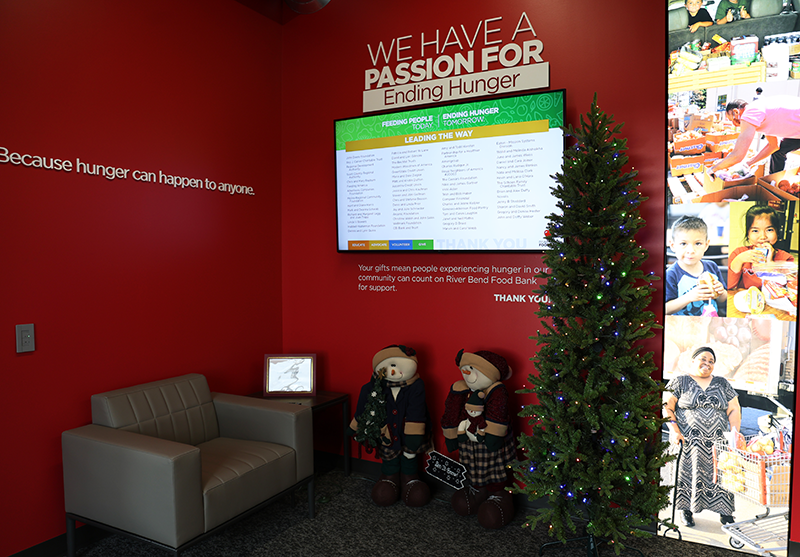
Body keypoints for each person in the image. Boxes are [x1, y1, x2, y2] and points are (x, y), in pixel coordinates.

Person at [664, 347, 742, 527]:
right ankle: (686, 510)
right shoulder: (680, 381)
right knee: (688, 476)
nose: (707, 363)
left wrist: (734, 434)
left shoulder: (722, 383)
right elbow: (667, 407)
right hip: (689, 443)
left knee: (721, 477)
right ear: (692, 361)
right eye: (703, 359)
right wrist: (675, 430)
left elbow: (734, 409)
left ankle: (726, 514)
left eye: (711, 361)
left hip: (718, 444)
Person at [710, 97, 800, 174]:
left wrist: (713, 169)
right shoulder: (760, 113)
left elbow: (737, 155)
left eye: (732, 120)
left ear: (736, 112)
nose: (733, 125)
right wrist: (748, 163)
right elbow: (774, 146)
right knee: (778, 151)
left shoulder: (749, 113)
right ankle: (773, 184)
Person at [666, 215, 727, 316]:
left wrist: (721, 293)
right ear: (673, 246)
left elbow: (722, 300)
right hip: (683, 326)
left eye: (698, 243)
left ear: (706, 245)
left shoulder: (712, 267)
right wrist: (689, 297)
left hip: (712, 323)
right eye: (683, 244)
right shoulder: (671, 274)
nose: (691, 251)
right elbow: (666, 309)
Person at [728, 204, 795, 289]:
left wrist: (770, 264)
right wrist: (739, 260)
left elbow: (786, 290)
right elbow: (729, 286)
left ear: (777, 232)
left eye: (769, 230)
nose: (763, 236)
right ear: (748, 234)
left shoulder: (786, 258)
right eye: (755, 230)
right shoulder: (738, 253)